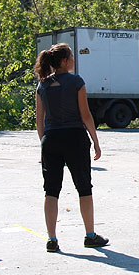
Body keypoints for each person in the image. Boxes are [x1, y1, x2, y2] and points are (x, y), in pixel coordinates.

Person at [34, 43, 108, 253]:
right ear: (65, 61)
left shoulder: (42, 85)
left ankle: (51, 239)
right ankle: (90, 236)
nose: (74, 60)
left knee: (51, 190)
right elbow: (85, 115)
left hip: (51, 139)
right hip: (75, 138)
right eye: (72, 57)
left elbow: (40, 121)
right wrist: (96, 141)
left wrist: (43, 144)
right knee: (84, 187)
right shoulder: (76, 82)